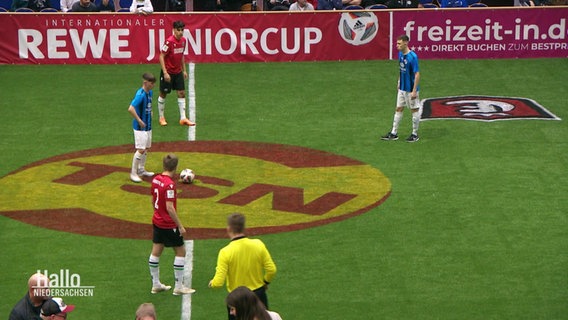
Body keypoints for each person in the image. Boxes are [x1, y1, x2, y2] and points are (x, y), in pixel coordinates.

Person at [209, 213, 277, 320]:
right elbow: (271, 270)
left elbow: (218, 282)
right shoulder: (258, 244)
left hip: (237, 300)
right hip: (258, 295)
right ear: (243, 227)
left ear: (229, 228)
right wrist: (265, 282)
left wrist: (212, 283)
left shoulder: (225, 252)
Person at [148, 153, 196, 296]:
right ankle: (179, 286)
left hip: (157, 221)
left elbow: (152, 200)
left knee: (156, 251)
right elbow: (170, 207)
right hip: (168, 224)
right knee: (181, 252)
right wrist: (180, 225)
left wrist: (157, 213)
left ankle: (156, 284)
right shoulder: (169, 185)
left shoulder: (156, 179)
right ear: (176, 167)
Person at [381, 34, 421, 143]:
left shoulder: (413, 57)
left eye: (399, 43)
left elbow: (417, 74)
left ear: (405, 43)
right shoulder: (400, 55)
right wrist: (399, 81)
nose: (396, 45)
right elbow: (401, 69)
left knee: (414, 110)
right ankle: (394, 133)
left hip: (410, 89)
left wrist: (414, 91)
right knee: (398, 108)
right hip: (402, 88)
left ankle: (414, 134)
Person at [158, 20, 195, 127]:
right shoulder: (169, 42)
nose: (180, 32)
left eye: (182, 30)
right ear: (174, 30)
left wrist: (184, 70)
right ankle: (161, 117)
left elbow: (181, 55)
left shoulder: (183, 41)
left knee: (182, 93)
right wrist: (165, 73)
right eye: (178, 30)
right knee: (163, 94)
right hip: (168, 72)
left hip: (178, 71)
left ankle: (183, 118)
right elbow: (161, 56)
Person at [128, 72, 156, 183]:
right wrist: (139, 120)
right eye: (151, 83)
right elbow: (131, 108)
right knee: (140, 149)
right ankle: (133, 173)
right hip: (140, 128)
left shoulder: (150, 93)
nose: (153, 85)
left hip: (148, 126)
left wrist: (151, 112)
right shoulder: (140, 95)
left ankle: (141, 169)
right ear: (145, 83)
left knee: (146, 148)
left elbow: (148, 105)